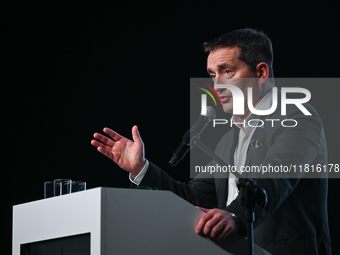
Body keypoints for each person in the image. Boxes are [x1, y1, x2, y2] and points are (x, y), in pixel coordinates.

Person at [91, 29, 331, 254]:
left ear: (261, 73)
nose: (217, 85)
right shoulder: (228, 140)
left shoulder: (297, 116)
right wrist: (141, 169)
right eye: (213, 75)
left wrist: (234, 216)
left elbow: (276, 177)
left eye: (227, 72)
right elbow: (194, 200)